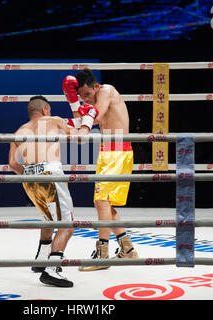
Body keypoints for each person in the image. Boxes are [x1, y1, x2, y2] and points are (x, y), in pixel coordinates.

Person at [8, 95, 97, 287]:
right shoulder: (53, 120)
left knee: (49, 218)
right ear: (45, 110)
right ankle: (52, 269)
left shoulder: (17, 132)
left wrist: (31, 173)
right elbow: (80, 139)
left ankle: (41, 260)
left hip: (29, 178)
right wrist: (89, 118)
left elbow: (13, 164)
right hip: (50, 172)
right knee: (68, 223)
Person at [62, 69, 138, 272]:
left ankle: (102, 255)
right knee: (105, 205)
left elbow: (95, 116)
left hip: (118, 151)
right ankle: (127, 248)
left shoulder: (106, 90)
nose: (85, 99)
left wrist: (78, 109)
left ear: (95, 86)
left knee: (101, 201)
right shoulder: (90, 103)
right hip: (109, 151)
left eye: (87, 94)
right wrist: (74, 104)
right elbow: (82, 120)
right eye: (81, 96)